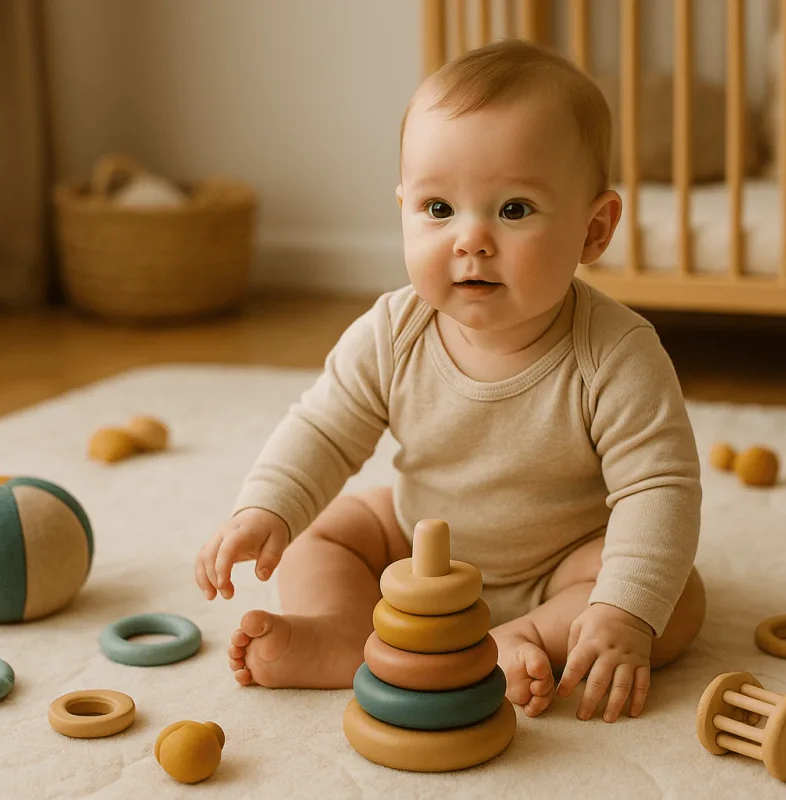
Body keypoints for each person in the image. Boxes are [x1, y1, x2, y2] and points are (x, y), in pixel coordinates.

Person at [195, 38, 705, 723]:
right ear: (403, 208)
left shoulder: (615, 353)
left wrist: (624, 610)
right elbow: (323, 427)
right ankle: (346, 633)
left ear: (594, 229)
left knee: (671, 598)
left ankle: (523, 638)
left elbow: (659, 486)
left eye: (514, 209)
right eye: (439, 209)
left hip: (560, 566)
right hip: (417, 548)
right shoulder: (392, 331)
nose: (471, 239)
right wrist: (267, 508)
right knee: (326, 530)